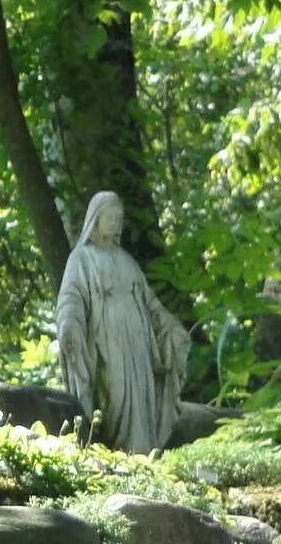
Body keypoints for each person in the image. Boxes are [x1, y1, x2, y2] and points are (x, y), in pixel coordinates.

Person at [55, 191, 190, 454]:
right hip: (106, 341)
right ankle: (117, 455)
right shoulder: (81, 259)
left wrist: (170, 326)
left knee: (140, 402)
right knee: (114, 398)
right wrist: (69, 322)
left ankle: (142, 456)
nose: (116, 223)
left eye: (119, 218)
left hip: (138, 344)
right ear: (96, 218)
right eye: (111, 217)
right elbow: (71, 296)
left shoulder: (127, 262)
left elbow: (151, 304)